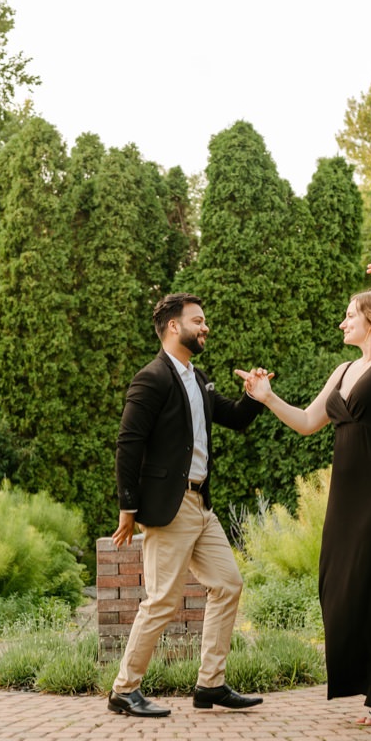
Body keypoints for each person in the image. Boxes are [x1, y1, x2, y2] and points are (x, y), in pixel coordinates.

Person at [240, 258, 371, 725]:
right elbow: (309, 423)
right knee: (339, 587)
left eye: (350, 314)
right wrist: (267, 398)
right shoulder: (340, 371)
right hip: (347, 495)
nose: (343, 321)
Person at [106, 292, 268, 718]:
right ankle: (124, 690)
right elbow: (128, 444)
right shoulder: (151, 378)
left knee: (228, 584)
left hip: (201, 505)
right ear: (174, 327)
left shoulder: (198, 379)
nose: (205, 326)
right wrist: (128, 507)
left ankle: (210, 685)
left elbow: (233, 417)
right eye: (198, 320)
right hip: (168, 507)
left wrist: (256, 395)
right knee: (161, 600)